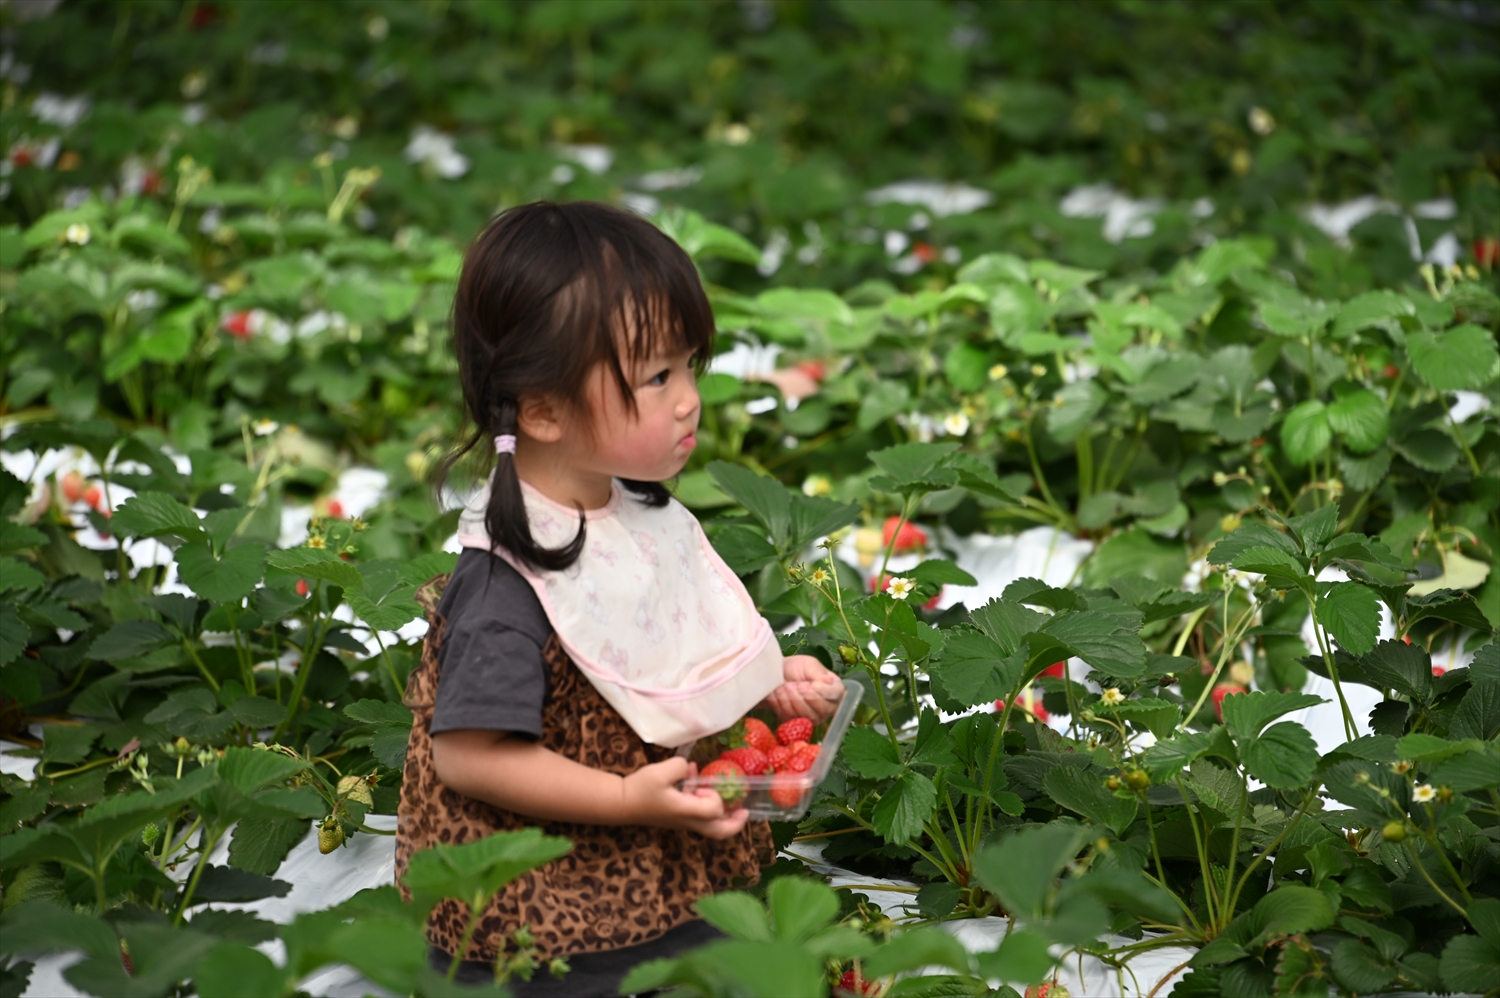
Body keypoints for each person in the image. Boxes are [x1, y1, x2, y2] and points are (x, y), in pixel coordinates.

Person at [394, 200, 842, 997]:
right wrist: (623, 797)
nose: (688, 399)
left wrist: (765, 682)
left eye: (690, 367)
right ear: (543, 410)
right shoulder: (510, 582)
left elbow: (664, 644)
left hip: (672, 883)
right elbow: (466, 755)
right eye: (657, 376)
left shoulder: (635, 510)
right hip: (550, 923)